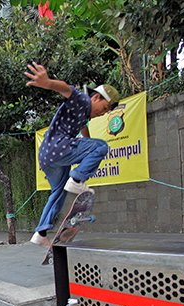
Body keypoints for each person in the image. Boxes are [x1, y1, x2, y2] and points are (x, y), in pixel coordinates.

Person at [24, 61, 119, 247]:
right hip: (58, 147)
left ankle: (41, 233)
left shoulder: (83, 115)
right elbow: (67, 90)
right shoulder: (82, 100)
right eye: (105, 108)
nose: (103, 113)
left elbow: (84, 131)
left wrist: (88, 144)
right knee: (101, 146)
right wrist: (48, 83)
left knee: (58, 194)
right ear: (96, 98)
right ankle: (77, 181)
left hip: (47, 156)